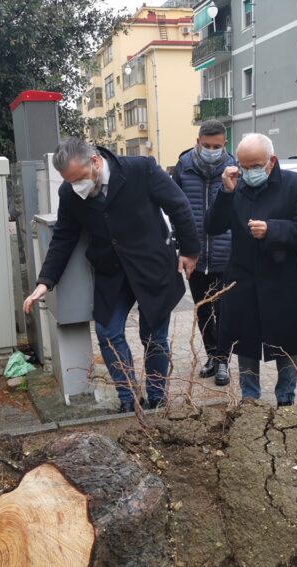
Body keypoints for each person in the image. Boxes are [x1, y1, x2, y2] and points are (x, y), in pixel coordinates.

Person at [23, 138, 200, 413]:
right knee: (107, 332)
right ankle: (129, 398)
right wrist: (45, 281)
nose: (77, 187)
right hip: (112, 272)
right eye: (70, 182)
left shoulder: (140, 170)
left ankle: (156, 397)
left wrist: (189, 250)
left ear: (94, 161)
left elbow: (178, 205)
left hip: (151, 266)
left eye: (80, 178)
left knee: (153, 336)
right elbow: (64, 237)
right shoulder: (70, 194)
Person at [206, 133, 297, 406]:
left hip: (282, 279)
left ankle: (286, 399)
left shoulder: (296, 185)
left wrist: (272, 229)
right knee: (245, 342)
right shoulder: (236, 187)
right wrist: (225, 193)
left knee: (286, 342)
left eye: (255, 166)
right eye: (244, 166)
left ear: (271, 161)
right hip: (242, 278)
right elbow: (213, 226)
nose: (249, 172)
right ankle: (249, 398)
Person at [172, 120, 235, 386]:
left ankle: (223, 361)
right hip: (194, 255)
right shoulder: (183, 168)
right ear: (197, 141)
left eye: (217, 146)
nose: (212, 150)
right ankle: (212, 355)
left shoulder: (234, 168)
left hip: (226, 254)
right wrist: (183, 246)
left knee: (224, 310)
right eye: (207, 145)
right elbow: (173, 208)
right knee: (203, 310)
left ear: (225, 145)